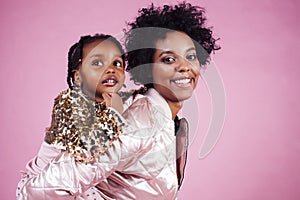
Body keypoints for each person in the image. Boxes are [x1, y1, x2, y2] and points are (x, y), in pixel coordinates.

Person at [16, 2, 220, 199]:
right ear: (148, 67)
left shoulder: (162, 115)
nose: (185, 67)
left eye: (191, 56)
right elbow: (39, 191)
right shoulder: (143, 119)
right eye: (168, 59)